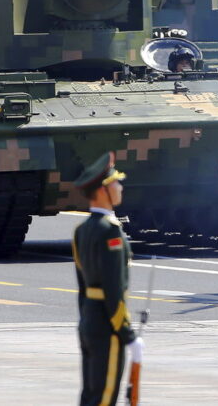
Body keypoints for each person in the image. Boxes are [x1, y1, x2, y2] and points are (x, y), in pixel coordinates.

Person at [72, 152, 142, 406]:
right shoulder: (110, 232)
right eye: (115, 182)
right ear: (103, 190)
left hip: (89, 321)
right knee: (104, 398)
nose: (120, 187)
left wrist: (85, 321)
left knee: (90, 396)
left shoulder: (81, 231)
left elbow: (83, 288)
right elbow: (114, 290)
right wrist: (127, 334)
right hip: (106, 325)